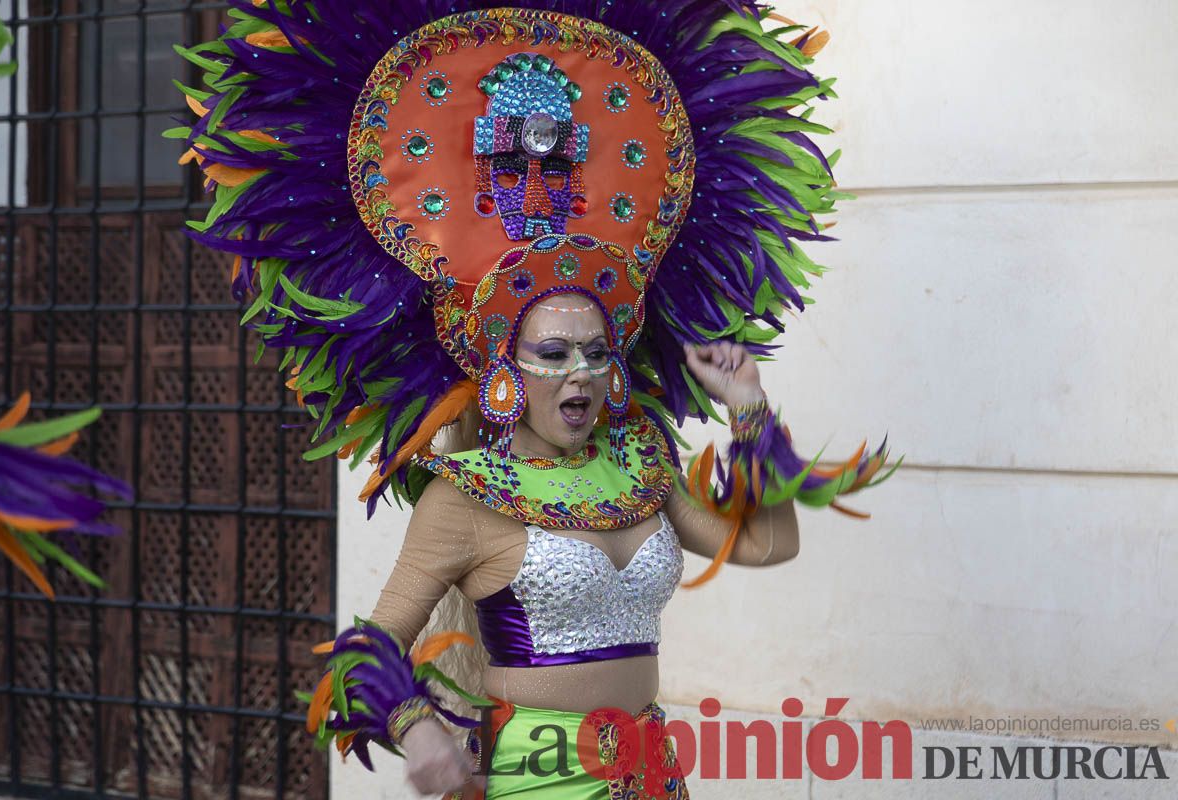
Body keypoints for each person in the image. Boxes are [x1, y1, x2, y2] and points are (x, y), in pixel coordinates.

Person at [174, 2, 898, 797]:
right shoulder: (465, 496)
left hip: (654, 773)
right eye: (552, 355)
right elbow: (365, 651)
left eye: (596, 353)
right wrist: (418, 730)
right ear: (506, 372)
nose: (579, 374)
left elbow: (767, 545)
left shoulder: (641, 464)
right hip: (539, 778)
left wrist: (748, 406)